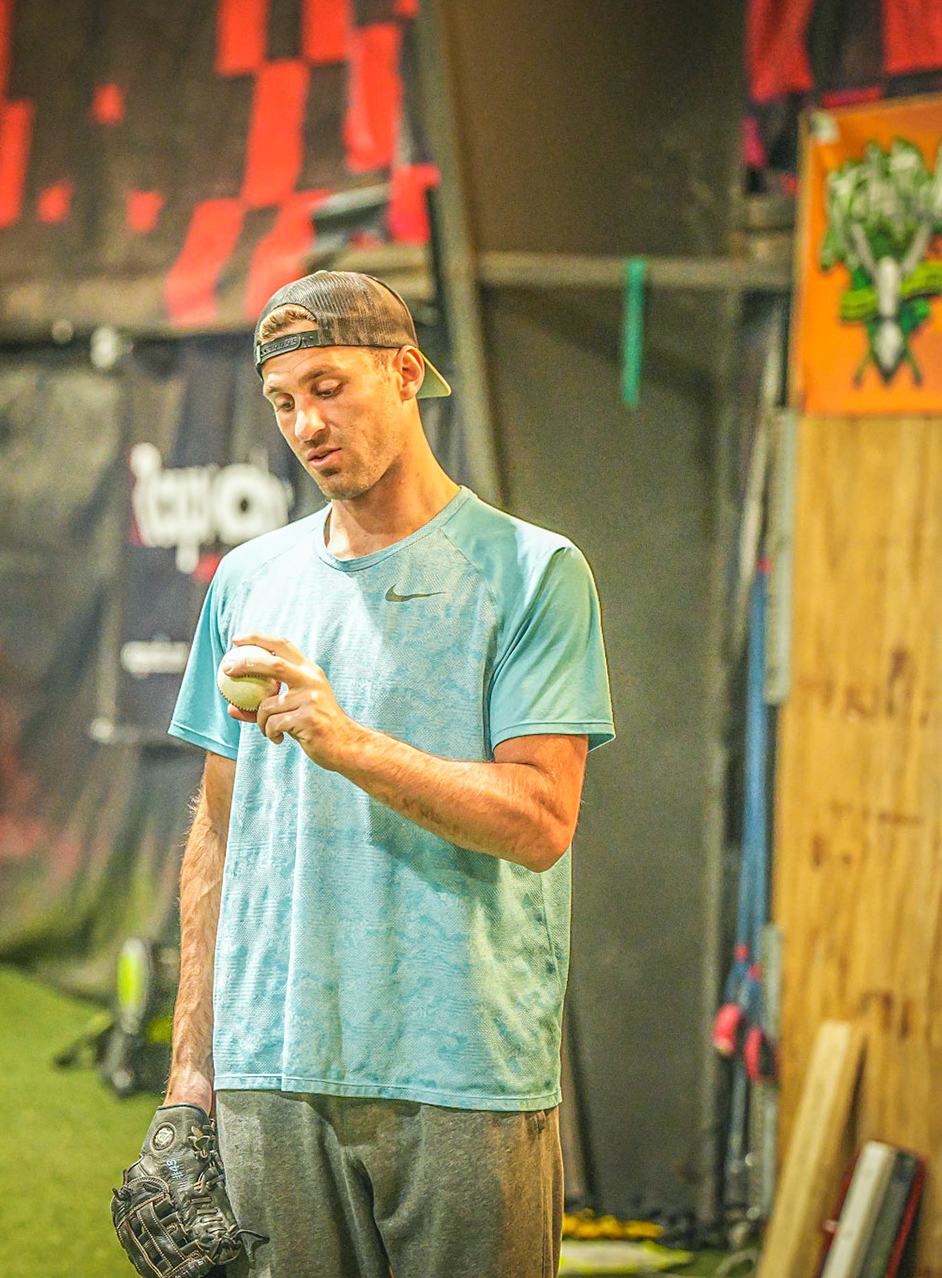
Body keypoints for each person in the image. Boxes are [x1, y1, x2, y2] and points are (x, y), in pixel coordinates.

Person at [165, 273, 614, 1278]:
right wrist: (193, 1072)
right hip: (271, 1072)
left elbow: (541, 819)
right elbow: (218, 837)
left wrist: (349, 743)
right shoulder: (248, 580)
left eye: (328, 387)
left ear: (406, 372)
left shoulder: (534, 572)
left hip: (460, 1076)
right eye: (284, 400)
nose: (306, 424)